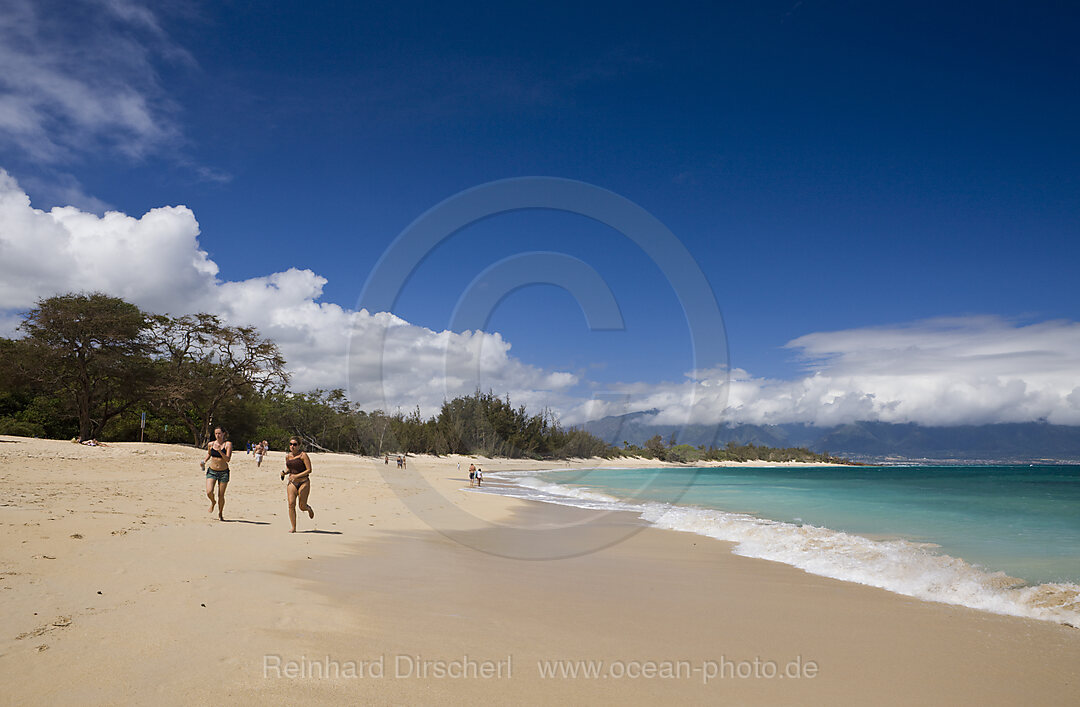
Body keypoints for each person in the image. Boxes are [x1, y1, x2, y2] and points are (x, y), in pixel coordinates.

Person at [282, 437, 315, 532]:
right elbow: (289, 468)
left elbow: (309, 470)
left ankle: (308, 508)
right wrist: (284, 472)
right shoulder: (288, 456)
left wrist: (296, 476)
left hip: (304, 482)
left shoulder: (303, 455)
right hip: (292, 483)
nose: (292, 446)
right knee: (291, 504)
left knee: (302, 506)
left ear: (299, 446)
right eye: (291, 444)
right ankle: (293, 527)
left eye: (295, 444)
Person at [201, 426, 232, 521]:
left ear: (223, 434)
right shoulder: (211, 444)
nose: (217, 435)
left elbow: (228, 459)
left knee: (221, 495)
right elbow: (209, 454)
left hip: (223, 472)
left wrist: (219, 450)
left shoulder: (228, 444)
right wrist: (204, 461)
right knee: (209, 491)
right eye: (216, 434)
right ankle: (213, 502)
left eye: (219, 433)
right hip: (212, 471)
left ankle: (220, 513)